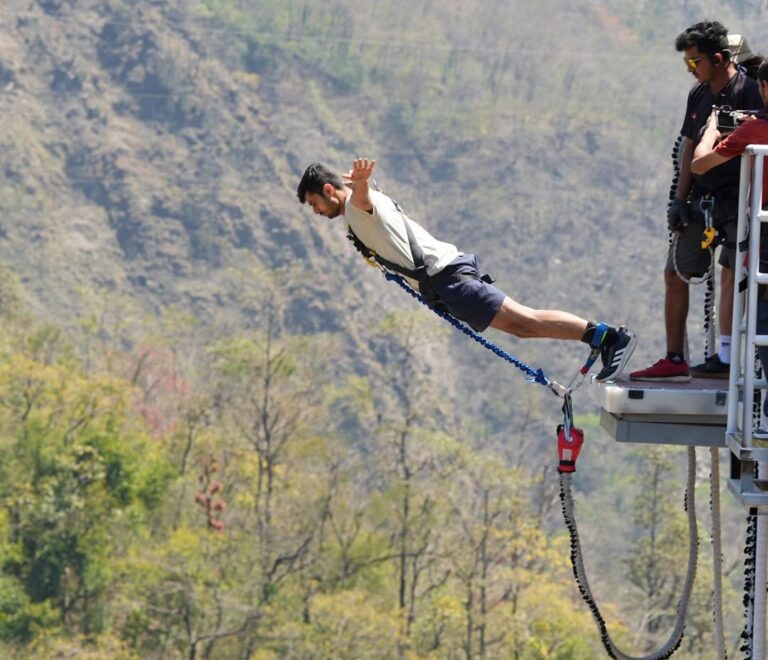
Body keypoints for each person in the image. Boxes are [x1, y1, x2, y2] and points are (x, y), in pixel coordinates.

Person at [297, 158, 636, 382]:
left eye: (315, 203)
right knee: (522, 325)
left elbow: (362, 199)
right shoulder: (357, 214)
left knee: (524, 323)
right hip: (446, 279)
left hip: (447, 278)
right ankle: (600, 337)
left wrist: (362, 183)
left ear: (329, 190)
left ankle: (607, 337)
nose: (316, 211)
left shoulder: (359, 208)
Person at [631, 22, 763, 382]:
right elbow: (690, 145)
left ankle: (723, 357)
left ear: (718, 59)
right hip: (702, 198)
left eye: (695, 62)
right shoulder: (699, 93)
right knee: (675, 273)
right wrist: (678, 198)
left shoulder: (750, 92)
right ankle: (674, 358)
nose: (691, 69)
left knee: (732, 273)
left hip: (740, 199)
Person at [691, 57, 768, 434]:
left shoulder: (755, 131)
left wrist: (710, 129)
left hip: (765, 237)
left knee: (762, 319)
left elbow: (700, 164)